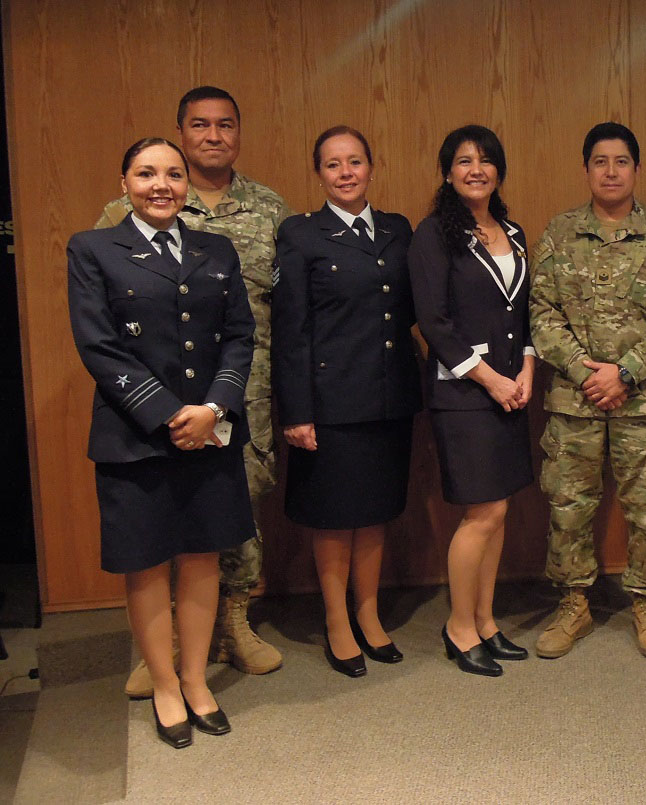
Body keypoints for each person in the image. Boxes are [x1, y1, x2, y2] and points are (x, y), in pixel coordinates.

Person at [97, 86, 291, 695]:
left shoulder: (268, 208)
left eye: (225, 125)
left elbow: (281, 306)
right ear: (181, 132)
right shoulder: (120, 212)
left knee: (237, 506)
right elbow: (104, 317)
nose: (214, 135)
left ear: (239, 132)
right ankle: (169, 646)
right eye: (200, 125)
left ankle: (235, 621)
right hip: (152, 397)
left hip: (240, 386)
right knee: (159, 515)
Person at [68, 138, 255, 747]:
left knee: (202, 558)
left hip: (210, 431)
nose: (161, 184)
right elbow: (98, 344)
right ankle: (166, 684)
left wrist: (214, 408)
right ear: (123, 182)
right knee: (147, 565)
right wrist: (171, 414)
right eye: (146, 173)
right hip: (135, 436)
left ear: (186, 186)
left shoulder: (216, 248)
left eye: (173, 175)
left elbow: (239, 336)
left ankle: (197, 679)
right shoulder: (94, 248)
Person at [529, 122, 646, 659]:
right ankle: (573, 602)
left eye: (620, 161)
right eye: (599, 161)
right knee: (569, 505)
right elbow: (541, 313)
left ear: (636, 169)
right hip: (574, 400)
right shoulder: (558, 234)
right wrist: (586, 371)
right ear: (586, 170)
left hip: (643, 400)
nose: (610, 171)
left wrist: (622, 372)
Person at [271, 126, 421, 677]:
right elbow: (292, 330)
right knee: (334, 518)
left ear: (370, 167)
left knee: (376, 512)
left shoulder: (398, 230)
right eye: (333, 165)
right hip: (330, 403)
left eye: (355, 161)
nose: (346, 173)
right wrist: (298, 411)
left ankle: (370, 614)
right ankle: (338, 622)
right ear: (319, 174)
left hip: (388, 397)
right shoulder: (301, 234)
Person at [409, 125, 535, 677]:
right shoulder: (433, 234)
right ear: (447, 172)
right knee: (480, 511)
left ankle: (486, 621)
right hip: (464, 391)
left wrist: (526, 370)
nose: (475, 170)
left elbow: (524, 313)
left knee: (500, 508)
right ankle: (459, 627)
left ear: (499, 171)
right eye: (463, 161)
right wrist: (491, 380)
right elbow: (434, 323)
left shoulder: (513, 230)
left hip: (513, 388)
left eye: (485, 161)